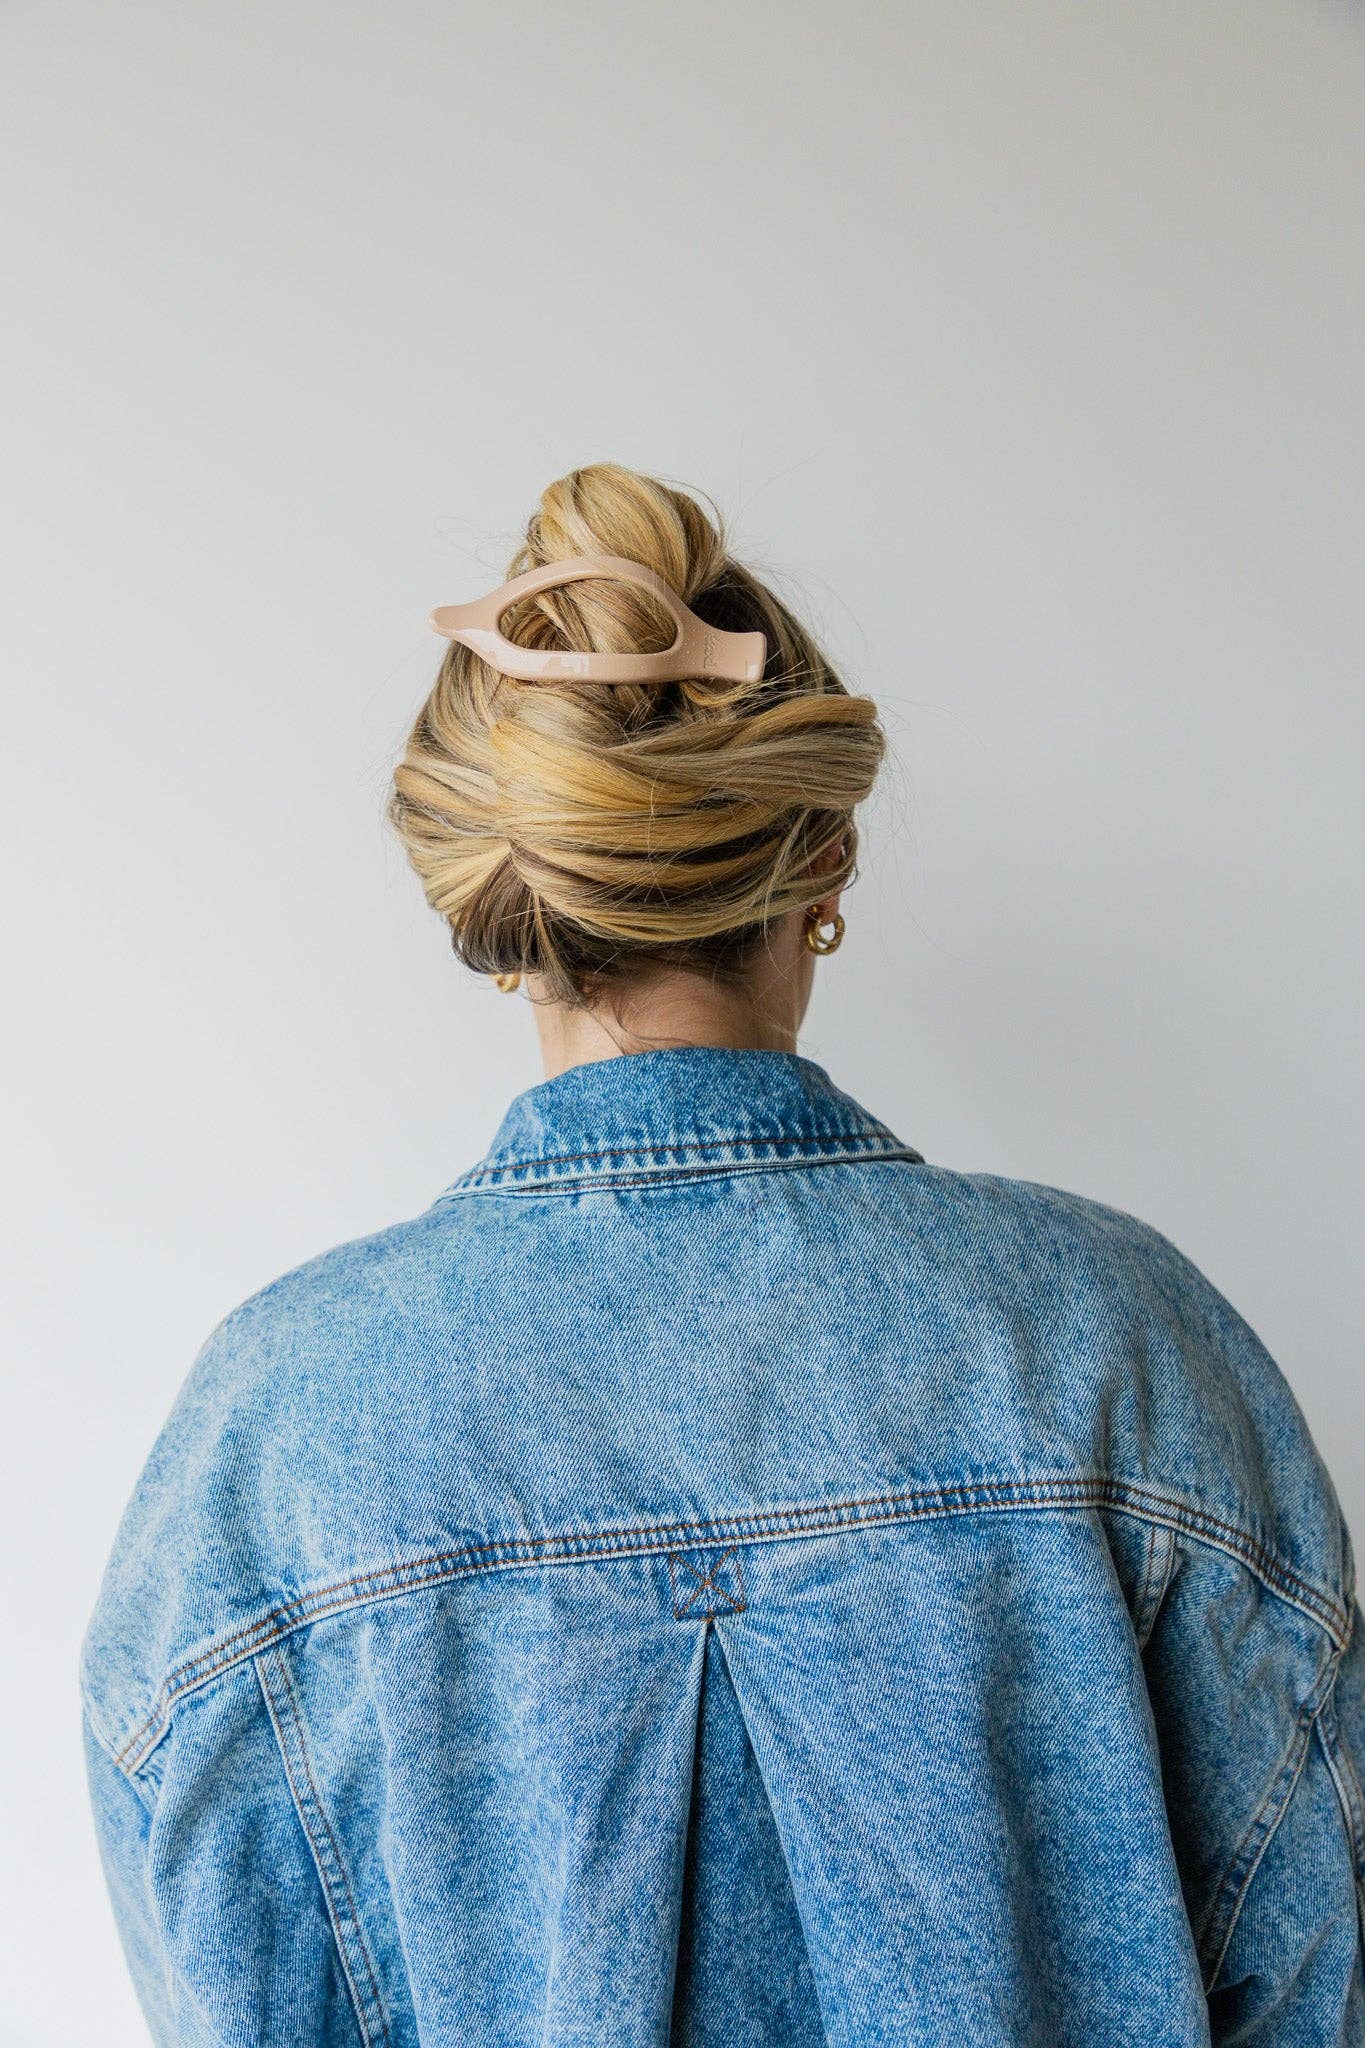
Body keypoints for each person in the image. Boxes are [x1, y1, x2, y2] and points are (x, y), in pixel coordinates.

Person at [82, 463, 1364, 2048]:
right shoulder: (1122, 1344)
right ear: (822, 862)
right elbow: (1305, 1969)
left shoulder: (274, 1431)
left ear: (496, 894)